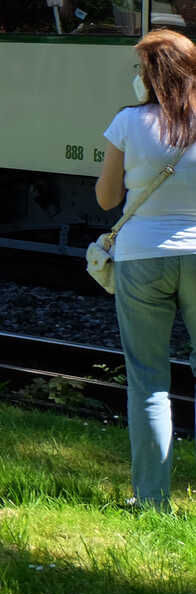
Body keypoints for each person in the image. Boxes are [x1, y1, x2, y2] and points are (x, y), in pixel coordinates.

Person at [95, 29, 196, 510]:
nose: (136, 77)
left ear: (154, 75)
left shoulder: (127, 123)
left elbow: (107, 198)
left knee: (149, 380)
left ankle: (152, 500)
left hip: (141, 258)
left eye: (140, 68)